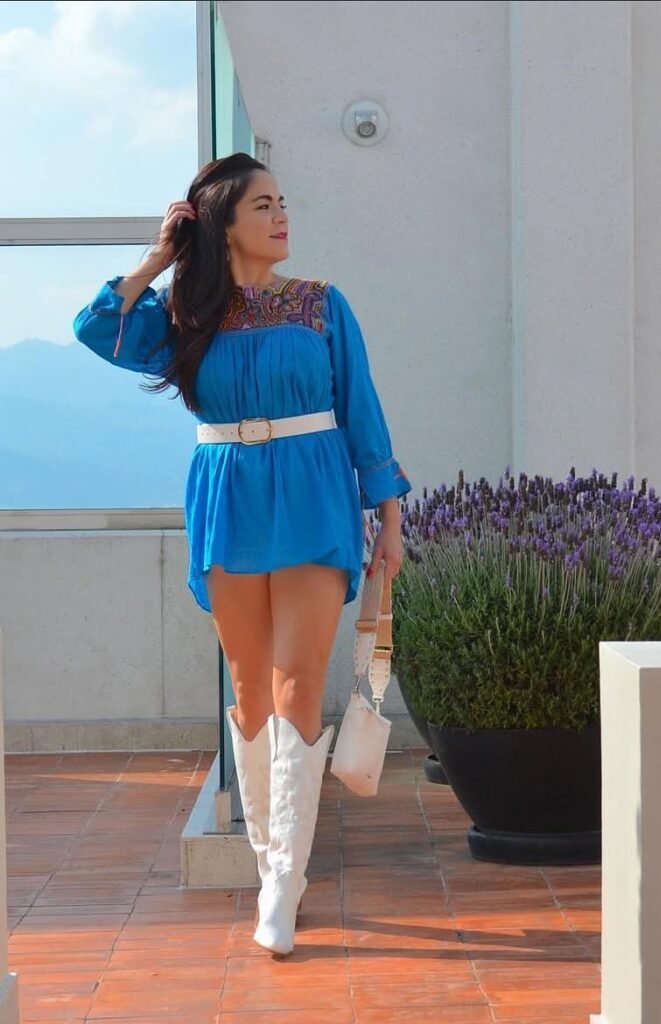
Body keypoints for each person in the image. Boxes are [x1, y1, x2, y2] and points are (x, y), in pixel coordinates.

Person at [72, 152, 411, 956]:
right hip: (227, 492)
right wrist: (160, 257)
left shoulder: (324, 305)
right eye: (264, 205)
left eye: (284, 202)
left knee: (298, 682)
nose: (282, 216)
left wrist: (389, 512)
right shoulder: (189, 314)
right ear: (223, 222)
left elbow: (363, 410)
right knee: (248, 686)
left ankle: (285, 885)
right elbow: (96, 329)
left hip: (313, 489)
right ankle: (268, 866)